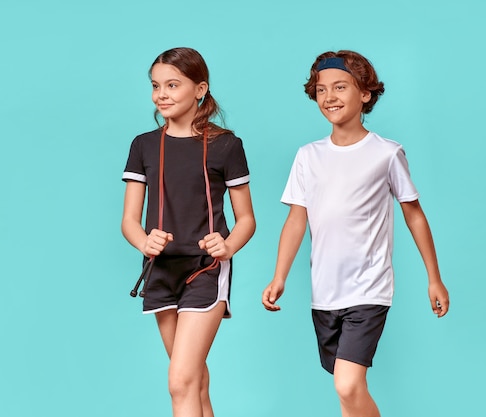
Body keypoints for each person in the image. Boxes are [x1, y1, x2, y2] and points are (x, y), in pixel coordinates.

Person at [262, 50, 450, 417]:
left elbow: (414, 214)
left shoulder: (386, 153)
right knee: (348, 393)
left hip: (369, 289)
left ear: (364, 93)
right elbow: (296, 220)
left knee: (347, 385)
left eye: (340, 87)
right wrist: (279, 276)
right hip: (324, 294)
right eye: (321, 90)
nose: (329, 96)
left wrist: (434, 279)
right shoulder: (307, 156)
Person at [122, 47, 255, 417]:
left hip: (205, 269)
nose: (161, 94)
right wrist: (142, 240)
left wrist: (226, 246)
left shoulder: (226, 145)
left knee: (180, 381)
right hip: (160, 271)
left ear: (200, 89)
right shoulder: (143, 145)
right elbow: (129, 221)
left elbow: (246, 219)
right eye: (155, 86)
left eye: (172, 85)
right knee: (194, 381)